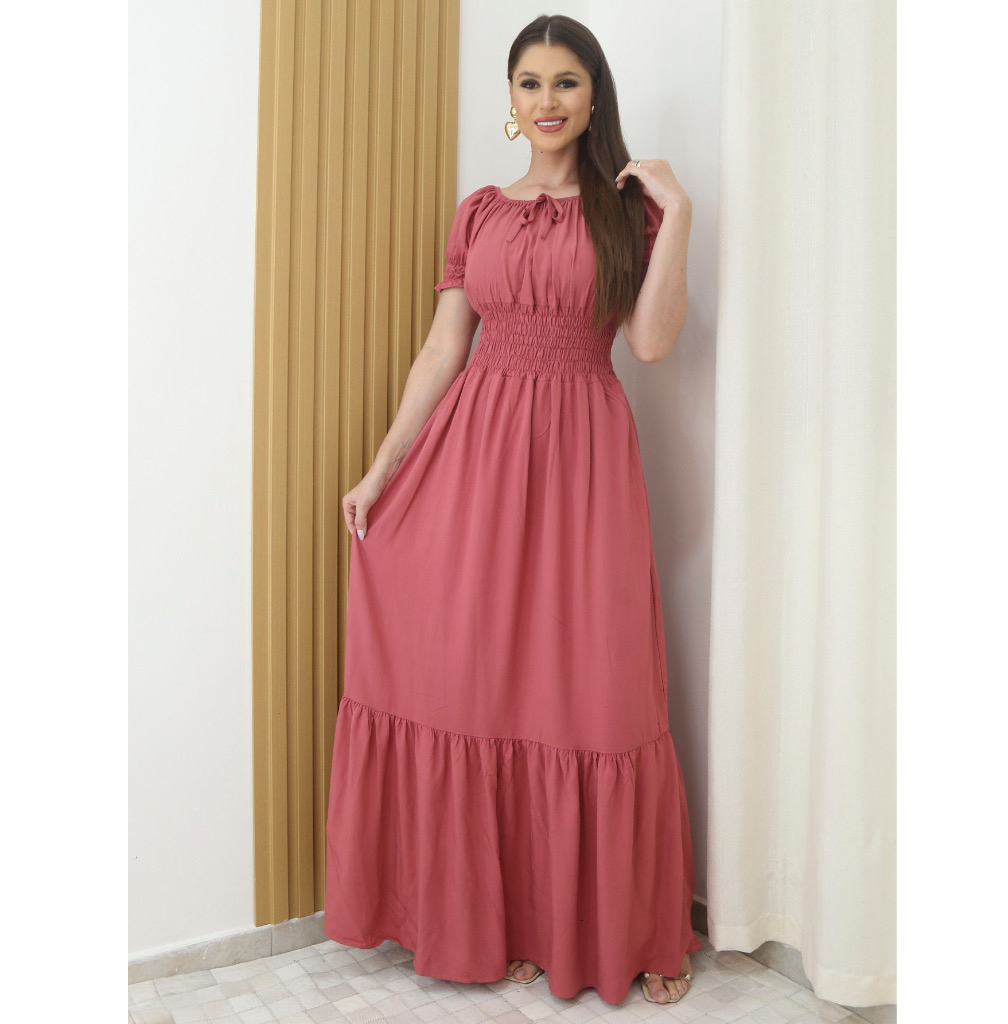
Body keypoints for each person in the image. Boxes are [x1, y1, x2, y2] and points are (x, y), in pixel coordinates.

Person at [324, 13, 698, 1007]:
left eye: (565, 81)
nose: (547, 100)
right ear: (511, 99)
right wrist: (380, 470)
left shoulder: (627, 210)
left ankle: (621, 928)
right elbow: (443, 349)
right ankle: (506, 923)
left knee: (591, 687)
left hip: (582, 462)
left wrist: (679, 214)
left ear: (593, 94)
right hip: (473, 460)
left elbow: (651, 342)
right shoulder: (480, 211)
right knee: (478, 684)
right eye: (529, 83)